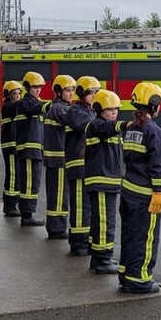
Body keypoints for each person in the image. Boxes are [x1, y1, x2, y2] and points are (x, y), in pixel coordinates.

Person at [119, 82, 161, 294]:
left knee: (129, 235)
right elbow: (157, 165)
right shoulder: (154, 131)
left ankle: (126, 274)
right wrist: (158, 192)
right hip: (145, 195)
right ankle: (139, 280)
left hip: (128, 191)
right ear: (153, 104)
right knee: (146, 238)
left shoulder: (131, 129)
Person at [84, 90, 131, 274]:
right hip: (101, 181)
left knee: (105, 221)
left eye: (116, 109)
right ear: (99, 109)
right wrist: (125, 124)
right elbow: (106, 129)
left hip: (109, 181)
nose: (114, 113)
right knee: (105, 222)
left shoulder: (109, 128)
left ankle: (101, 257)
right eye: (110, 109)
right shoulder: (96, 125)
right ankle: (102, 259)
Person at [64, 76, 101, 256]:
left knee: (87, 206)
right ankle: (78, 243)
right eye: (90, 92)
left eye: (96, 92)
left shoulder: (91, 111)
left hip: (87, 165)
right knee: (80, 206)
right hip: (78, 164)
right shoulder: (75, 111)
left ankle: (86, 240)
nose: (94, 95)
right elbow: (87, 127)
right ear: (82, 94)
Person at [43, 74, 76, 239]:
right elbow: (74, 121)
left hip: (57, 159)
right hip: (58, 159)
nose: (71, 94)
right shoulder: (59, 109)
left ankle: (56, 226)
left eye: (72, 90)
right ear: (58, 92)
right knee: (59, 196)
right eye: (67, 90)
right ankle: (56, 228)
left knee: (59, 194)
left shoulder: (59, 107)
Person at [15, 71, 49, 226]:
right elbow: (32, 109)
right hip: (28, 150)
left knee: (34, 183)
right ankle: (27, 215)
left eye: (39, 87)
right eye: (35, 87)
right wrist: (48, 105)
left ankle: (29, 213)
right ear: (28, 87)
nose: (38, 90)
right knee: (29, 183)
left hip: (35, 151)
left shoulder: (36, 103)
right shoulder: (25, 103)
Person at [0, 80, 23, 217]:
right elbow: (20, 107)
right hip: (11, 146)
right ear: (8, 96)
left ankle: (10, 203)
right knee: (13, 175)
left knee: (14, 174)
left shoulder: (11, 107)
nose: (17, 96)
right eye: (14, 94)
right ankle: (10, 205)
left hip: (14, 145)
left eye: (19, 93)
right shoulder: (8, 107)